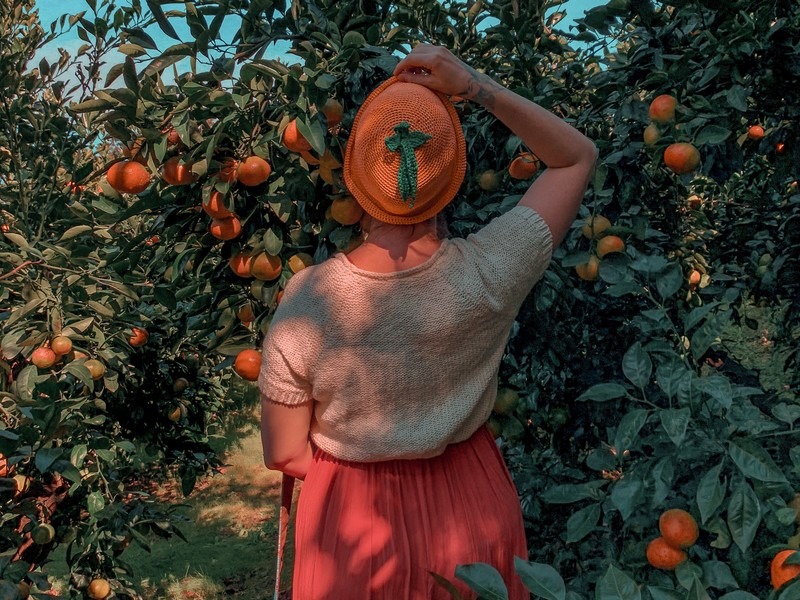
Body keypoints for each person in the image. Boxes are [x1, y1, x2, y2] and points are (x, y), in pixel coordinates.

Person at [259, 44, 597, 599]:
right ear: (451, 178)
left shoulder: (308, 301)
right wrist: (472, 85)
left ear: (354, 179)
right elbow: (575, 157)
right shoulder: (492, 269)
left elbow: (285, 453)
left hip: (351, 524)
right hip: (471, 509)